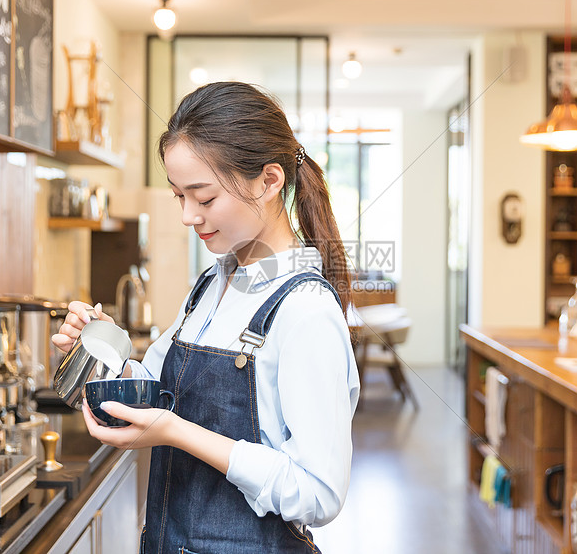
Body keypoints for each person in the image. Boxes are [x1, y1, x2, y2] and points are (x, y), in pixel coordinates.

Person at [52, 81, 360, 554]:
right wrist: (101, 347)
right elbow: (151, 385)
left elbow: (318, 492)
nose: (188, 216)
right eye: (179, 196)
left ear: (270, 181)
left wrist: (177, 432)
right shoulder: (210, 287)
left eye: (205, 197)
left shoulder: (305, 312)